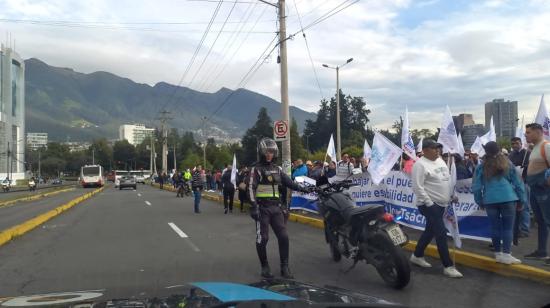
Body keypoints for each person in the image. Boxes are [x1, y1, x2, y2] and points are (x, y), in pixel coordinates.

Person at [248, 138, 310, 279]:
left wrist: (303, 188)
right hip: (262, 208)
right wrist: (254, 207)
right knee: (262, 238)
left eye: (272, 152)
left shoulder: (277, 169)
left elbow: (289, 182)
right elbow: (251, 188)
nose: (269, 154)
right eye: (266, 152)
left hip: (276, 208)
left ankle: (285, 267)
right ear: (261, 152)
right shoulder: (256, 169)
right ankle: (264, 266)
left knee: (284, 237)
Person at [410, 139, 463, 278]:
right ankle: (448, 266)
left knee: (430, 231)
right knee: (440, 233)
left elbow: (447, 179)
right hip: (429, 205)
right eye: (434, 148)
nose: (437, 151)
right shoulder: (420, 165)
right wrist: (429, 203)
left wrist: (452, 194)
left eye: (438, 148)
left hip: (443, 204)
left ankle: (417, 255)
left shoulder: (440, 160)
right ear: (425, 150)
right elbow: (417, 187)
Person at [472, 141, 527, 264]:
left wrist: (479, 200)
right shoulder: (508, 163)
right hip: (508, 198)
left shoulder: (481, 166)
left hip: (490, 200)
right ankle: (507, 254)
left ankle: (498, 254)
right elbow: (518, 183)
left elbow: (476, 186)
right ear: (499, 150)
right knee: (508, 228)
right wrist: (522, 200)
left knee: (495, 227)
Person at [524, 123, 550, 264]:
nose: (526, 135)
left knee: (548, 221)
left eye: (528, 132)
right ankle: (542, 251)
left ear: (538, 132)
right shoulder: (535, 148)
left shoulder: (546, 146)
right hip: (535, 189)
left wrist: (546, 183)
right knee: (541, 221)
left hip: (544, 190)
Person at [509, 137, 531, 237]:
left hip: (524, 183)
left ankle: (525, 229)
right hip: (514, 184)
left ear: (521, 143)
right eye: (513, 144)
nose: (514, 145)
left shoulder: (527, 153)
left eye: (516, 143)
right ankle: (516, 229)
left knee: (525, 207)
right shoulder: (511, 155)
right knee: (515, 207)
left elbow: (531, 166)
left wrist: (524, 167)